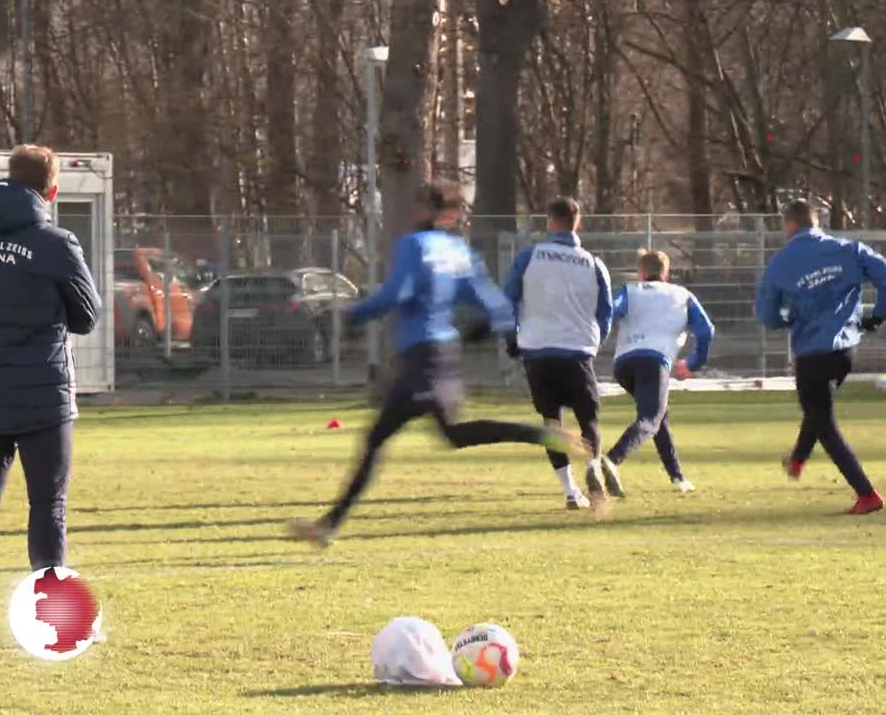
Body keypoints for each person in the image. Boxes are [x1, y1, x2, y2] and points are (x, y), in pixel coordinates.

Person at [290, 183, 578, 547]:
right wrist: (488, 330)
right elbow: (496, 305)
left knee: (377, 438)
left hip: (420, 358)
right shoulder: (459, 251)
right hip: (445, 357)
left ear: (431, 210)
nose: (413, 210)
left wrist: (354, 316)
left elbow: (398, 293)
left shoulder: (414, 245)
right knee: (453, 435)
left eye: (419, 204)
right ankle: (545, 435)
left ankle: (328, 526)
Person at [0, 144, 101, 642]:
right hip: (43, 395)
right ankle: (53, 619)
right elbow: (87, 316)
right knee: (47, 506)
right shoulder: (56, 243)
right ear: (50, 191)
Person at [755, 200, 886, 515]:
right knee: (818, 409)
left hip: (811, 351)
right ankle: (797, 459)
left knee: (823, 420)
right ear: (816, 221)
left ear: (788, 225)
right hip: (845, 350)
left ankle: (867, 494)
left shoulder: (780, 263)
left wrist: (786, 320)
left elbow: (765, 314)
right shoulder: (849, 249)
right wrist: (877, 316)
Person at [503, 197, 616, 510]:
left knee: (551, 422)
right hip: (577, 350)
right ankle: (593, 467)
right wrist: (593, 342)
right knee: (588, 418)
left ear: (549, 221)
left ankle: (570, 491)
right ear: (576, 223)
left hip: (537, 350)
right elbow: (605, 314)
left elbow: (508, 300)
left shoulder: (528, 257)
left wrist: (511, 337)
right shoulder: (594, 264)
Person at [604, 250, 715, 493]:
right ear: (666, 273)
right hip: (654, 362)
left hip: (623, 364)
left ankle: (677, 477)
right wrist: (693, 363)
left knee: (657, 415)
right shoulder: (682, 295)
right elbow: (706, 331)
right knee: (650, 419)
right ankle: (612, 459)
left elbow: (610, 312)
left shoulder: (629, 290)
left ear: (641, 273)